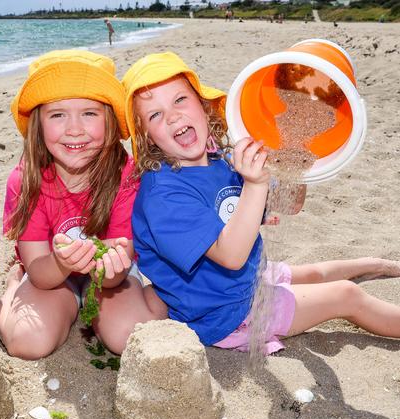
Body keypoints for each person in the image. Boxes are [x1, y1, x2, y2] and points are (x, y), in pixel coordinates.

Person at [122, 52, 400, 354]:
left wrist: (294, 152)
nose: (173, 116)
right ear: (148, 138)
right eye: (155, 115)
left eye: (179, 100)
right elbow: (231, 256)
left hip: (248, 278)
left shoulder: (221, 159)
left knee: (314, 274)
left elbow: (290, 204)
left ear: (203, 107)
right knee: (346, 295)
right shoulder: (163, 196)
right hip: (227, 312)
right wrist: (255, 184)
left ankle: (375, 265)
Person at [0, 50, 167, 360]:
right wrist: (62, 263)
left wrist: (110, 270)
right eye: (58, 114)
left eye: (89, 113)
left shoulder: (124, 174)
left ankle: (150, 296)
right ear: (38, 124)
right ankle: (11, 287)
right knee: (28, 342)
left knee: (126, 338)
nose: (75, 128)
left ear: (110, 121)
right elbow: (39, 273)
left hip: (109, 278)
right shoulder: (26, 181)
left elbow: (117, 266)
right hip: (48, 274)